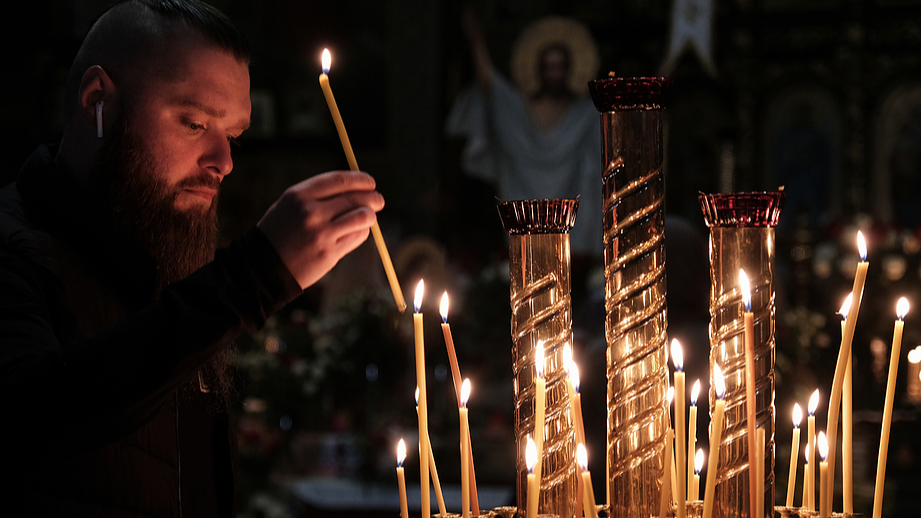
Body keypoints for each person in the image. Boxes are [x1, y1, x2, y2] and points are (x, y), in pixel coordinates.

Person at [0, 0, 384, 515]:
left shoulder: (163, 256)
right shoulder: (13, 248)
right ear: (97, 101)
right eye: (194, 123)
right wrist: (251, 278)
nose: (223, 162)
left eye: (233, 138)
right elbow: (28, 421)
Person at [446, 14, 603, 261]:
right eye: (549, 67)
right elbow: (492, 87)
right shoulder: (521, 110)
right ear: (540, 70)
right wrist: (477, 43)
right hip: (523, 201)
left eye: (560, 67)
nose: (554, 74)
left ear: (569, 69)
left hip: (576, 224)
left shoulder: (585, 115)